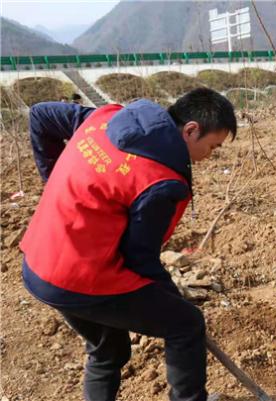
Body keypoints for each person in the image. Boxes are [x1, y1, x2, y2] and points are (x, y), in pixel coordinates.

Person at [21, 88, 237, 401]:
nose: (211, 155)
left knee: (109, 349)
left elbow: (41, 114)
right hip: (77, 277)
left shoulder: (106, 118)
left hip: (38, 263)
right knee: (185, 324)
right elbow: (140, 259)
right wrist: (174, 300)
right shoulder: (160, 182)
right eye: (213, 146)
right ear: (191, 130)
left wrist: (53, 180)